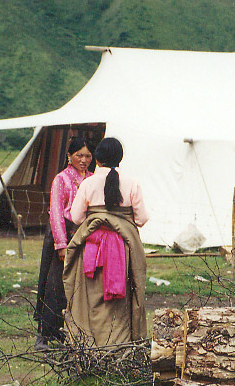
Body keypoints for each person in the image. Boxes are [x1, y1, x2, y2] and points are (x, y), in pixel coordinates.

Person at [63, 137, 149, 347]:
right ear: (120, 158)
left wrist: (98, 219)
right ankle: (119, 345)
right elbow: (141, 219)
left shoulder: (88, 183)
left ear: (97, 160)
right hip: (123, 249)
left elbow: (75, 217)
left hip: (93, 247)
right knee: (121, 302)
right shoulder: (132, 183)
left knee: (91, 297)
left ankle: (90, 344)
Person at [34, 136, 94, 350]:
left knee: (80, 285)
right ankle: (45, 334)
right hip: (63, 235)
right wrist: (61, 244)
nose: (84, 160)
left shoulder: (93, 178)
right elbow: (57, 213)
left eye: (88, 155)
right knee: (54, 284)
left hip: (84, 237)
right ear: (69, 155)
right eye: (79, 155)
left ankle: (72, 332)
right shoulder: (61, 179)